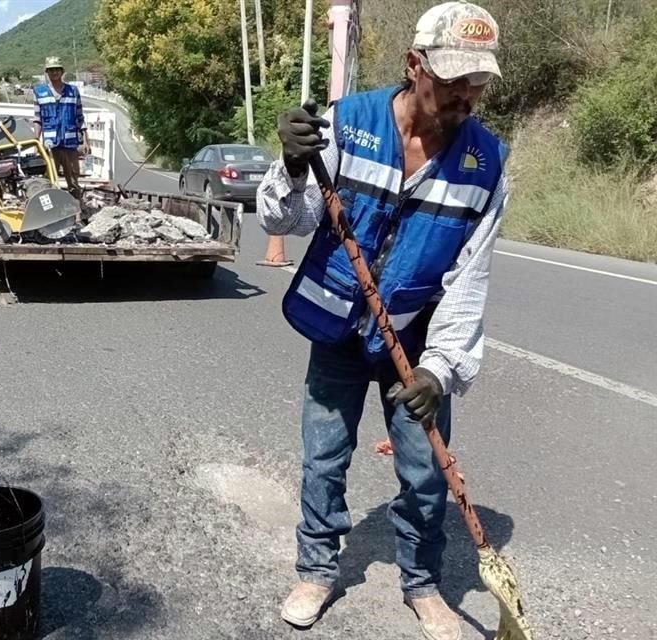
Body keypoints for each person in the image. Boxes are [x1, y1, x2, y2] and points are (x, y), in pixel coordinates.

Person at [256, 2, 508, 638]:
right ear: (413, 65)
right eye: (451, 79)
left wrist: (440, 371)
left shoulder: (486, 163)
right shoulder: (349, 123)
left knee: (425, 473)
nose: (464, 96)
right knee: (324, 457)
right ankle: (316, 569)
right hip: (340, 328)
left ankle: (422, 585)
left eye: (476, 83)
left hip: (418, 337)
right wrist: (288, 166)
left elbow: (469, 279)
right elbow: (281, 222)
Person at [32, 56, 90, 199]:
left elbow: (79, 117)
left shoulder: (72, 91)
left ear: (62, 71)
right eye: (51, 70)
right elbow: (37, 119)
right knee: (50, 178)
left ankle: (77, 207)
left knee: (73, 177)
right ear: (47, 72)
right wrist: (35, 142)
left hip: (70, 143)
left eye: (57, 69)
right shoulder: (39, 92)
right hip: (51, 144)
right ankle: (52, 209)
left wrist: (85, 141)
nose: (54, 73)